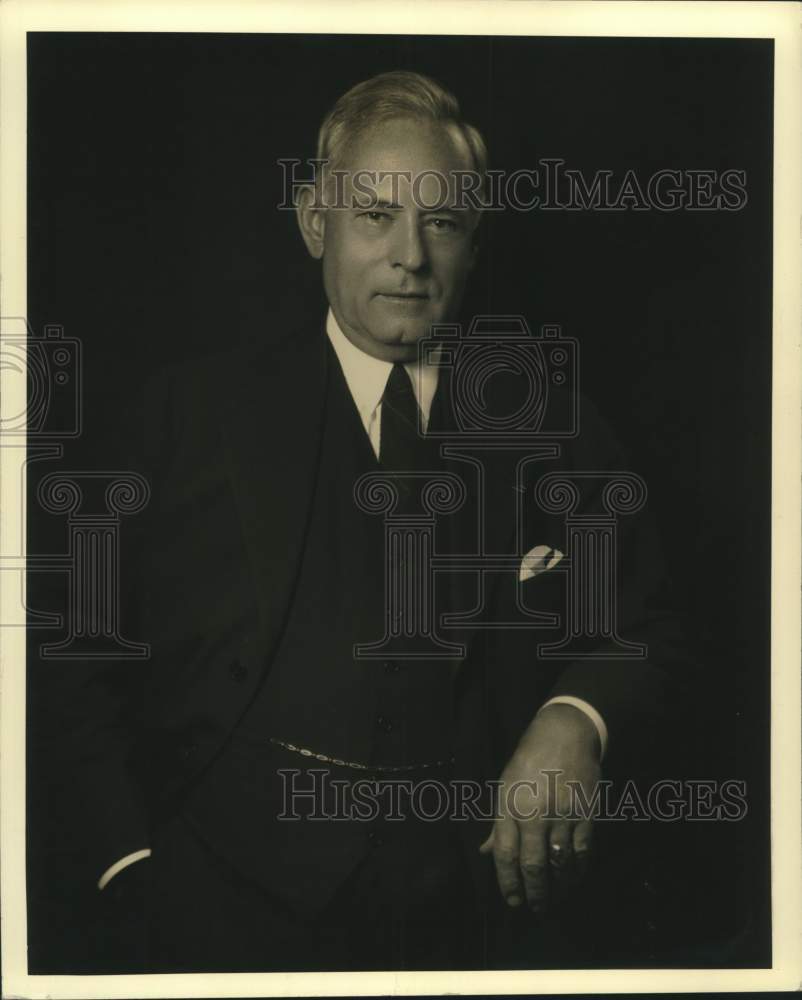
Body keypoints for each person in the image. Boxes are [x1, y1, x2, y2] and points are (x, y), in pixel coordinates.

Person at [59, 70, 682, 972]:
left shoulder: (559, 423)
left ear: (475, 240)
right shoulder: (187, 418)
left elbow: (653, 627)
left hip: (482, 914)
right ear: (315, 222)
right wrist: (126, 867)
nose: (411, 256)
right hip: (226, 910)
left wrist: (575, 714)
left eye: (443, 222)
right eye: (375, 216)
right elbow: (74, 660)